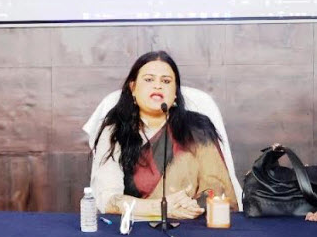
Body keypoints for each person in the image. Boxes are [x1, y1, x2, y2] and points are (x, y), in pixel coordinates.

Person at [91, 51, 238, 219]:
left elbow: (218, 190)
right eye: (149, 79)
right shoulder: (114, 131)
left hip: (193, 223)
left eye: (166, 81)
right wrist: (161, 208)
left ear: (175, 92)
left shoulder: (198, 129)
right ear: (133, 88)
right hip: (136, 226)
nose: (158, 86)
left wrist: (192, 207)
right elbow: (108, 200)